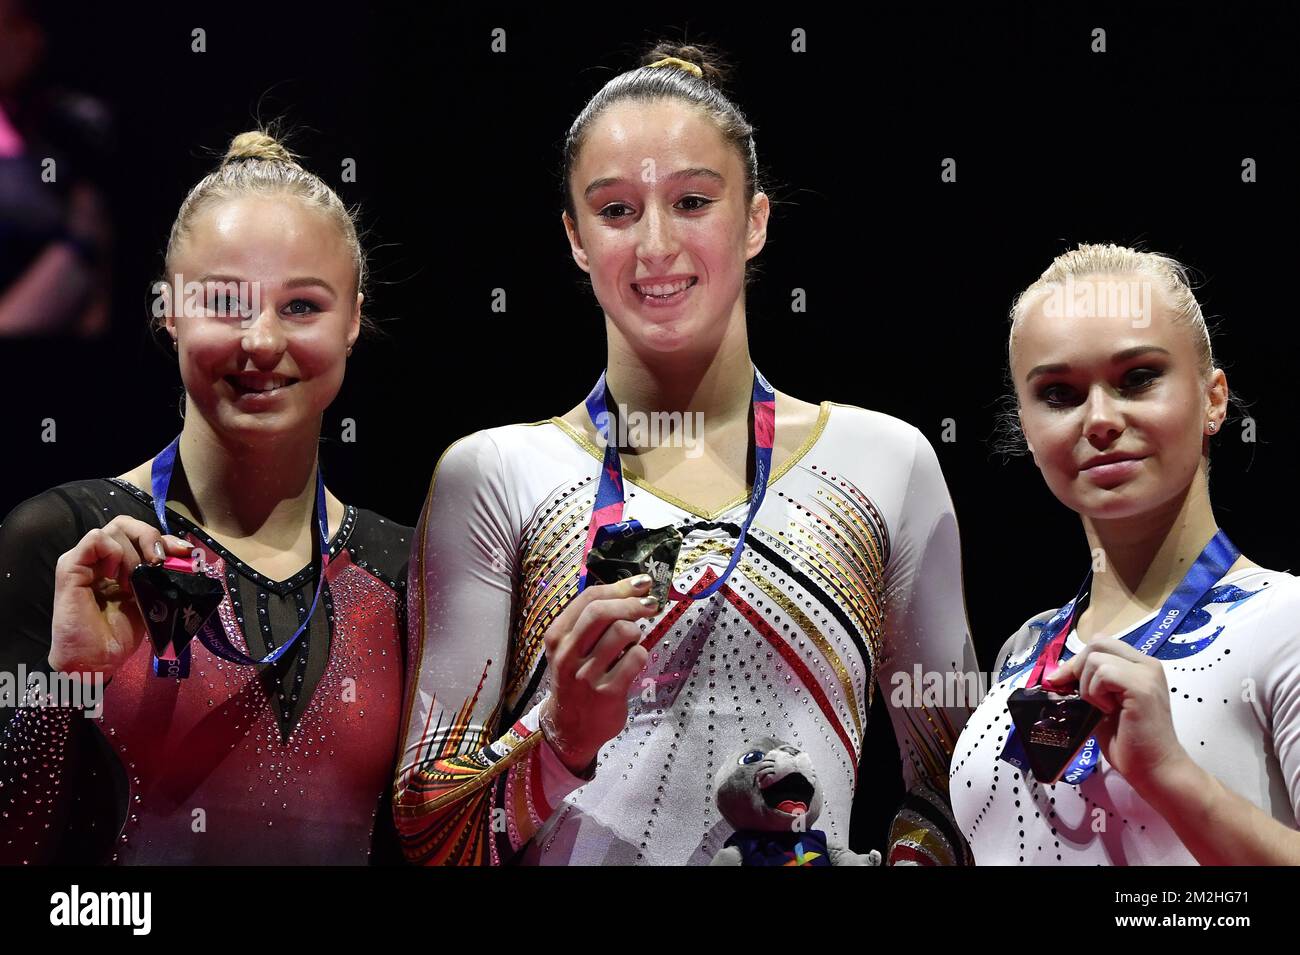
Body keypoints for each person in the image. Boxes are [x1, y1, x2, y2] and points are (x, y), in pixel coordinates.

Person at [394, 42, 978, 865]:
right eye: (617, 210)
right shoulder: (495, 477)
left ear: (756, 221)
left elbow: (964, 785)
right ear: (574, 237)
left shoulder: (885, 464)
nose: (656, 244)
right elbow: (425, 829)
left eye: (693, 201)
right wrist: (561, 742)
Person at [0, 130, 412, 864]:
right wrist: (66, 688)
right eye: (225, 302)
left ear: (353, 316)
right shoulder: (64, 542)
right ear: (170, 310)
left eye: (302, 306)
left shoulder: (408, 570)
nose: (259, 340)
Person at [950, 243, 1300, 864]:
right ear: (1027, 428)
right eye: (1059, 393)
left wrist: (1172, 775)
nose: (1100, 419)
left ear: (1213, 399)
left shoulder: (1287, 623)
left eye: (1138, 378)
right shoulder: (1025, 651)